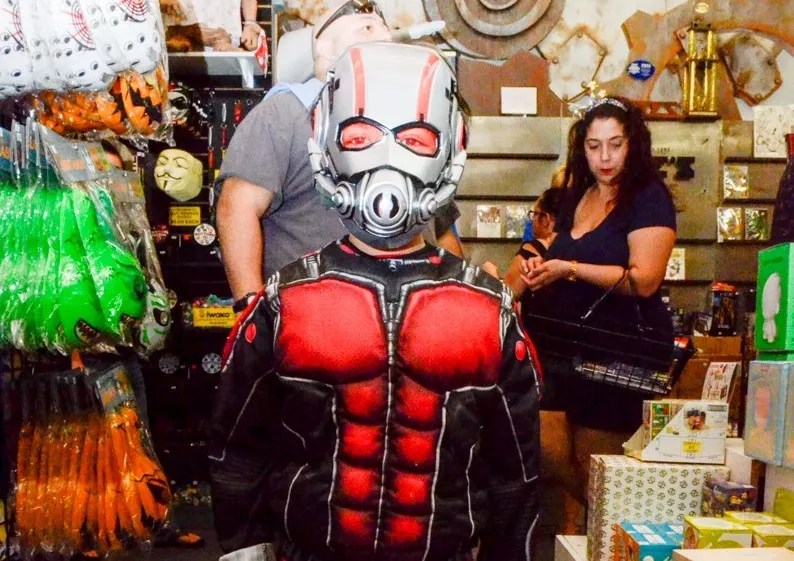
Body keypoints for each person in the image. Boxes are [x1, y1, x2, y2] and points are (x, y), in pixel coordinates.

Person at [209, 42, 540, 561]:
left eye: (414, 139)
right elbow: (237, 455)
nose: (388, 160)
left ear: (448, 148)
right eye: (361, 136)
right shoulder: (284, 304)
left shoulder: (487, 312)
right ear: (327, 141)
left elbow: (515, 477)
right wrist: (244, 551)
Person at [215, 0, 463, 309]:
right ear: (325, 46)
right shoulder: (284, 113)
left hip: (411, 317)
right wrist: (252, 310)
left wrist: (458, 301)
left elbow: (440, 226)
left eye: (385, 29)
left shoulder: (413, 117)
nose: (384, 37)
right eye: (367, 28)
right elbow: (236, 208)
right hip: (313, 317)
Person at [518, 96, 676, 523]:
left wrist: (569, 268)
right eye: (594, 146)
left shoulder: (648, 197)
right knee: (546, 446)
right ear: (582, 149)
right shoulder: (577, 195)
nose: (605, 157)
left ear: (633, 145)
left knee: (597, 468)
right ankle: (606, 521)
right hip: (562, 352)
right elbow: (562, 253)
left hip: (617, 354)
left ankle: (612, 530)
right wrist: (542, 270)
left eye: (615, 144)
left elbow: (644, 279)